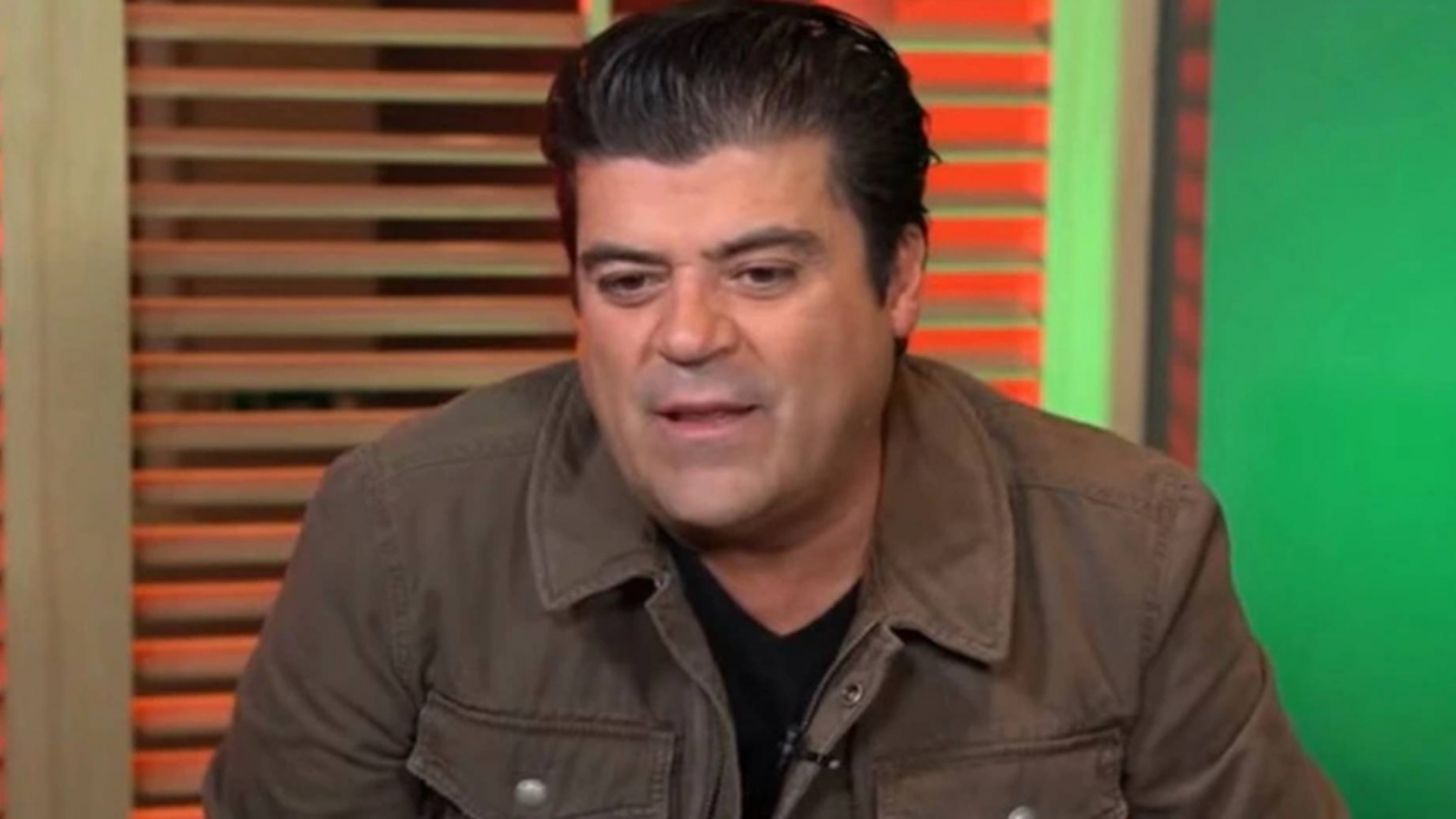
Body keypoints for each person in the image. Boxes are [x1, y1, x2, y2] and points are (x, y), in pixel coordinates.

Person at [203, 1, 1347, 816]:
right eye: (628, 280)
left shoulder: (1131, 553)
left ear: (900, 280)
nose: (686, 334)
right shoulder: (400, 534)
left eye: (759, 273)